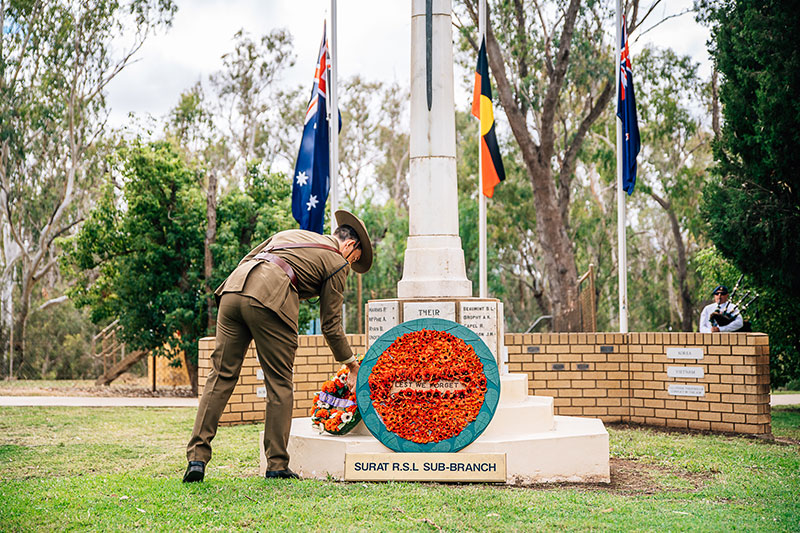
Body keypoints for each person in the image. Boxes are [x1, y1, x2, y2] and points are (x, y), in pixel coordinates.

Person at [183, 210, 372, 482]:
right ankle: (277, 464)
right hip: (270, 297)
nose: (351, 266)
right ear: (350, 245)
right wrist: (351, 364)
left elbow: (249, 258)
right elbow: (331, 325)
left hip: (234, 289)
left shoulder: (292, 234)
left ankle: (196, 459)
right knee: (279, 383)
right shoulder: (337, 261)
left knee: (221, 375)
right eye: (354, 260)